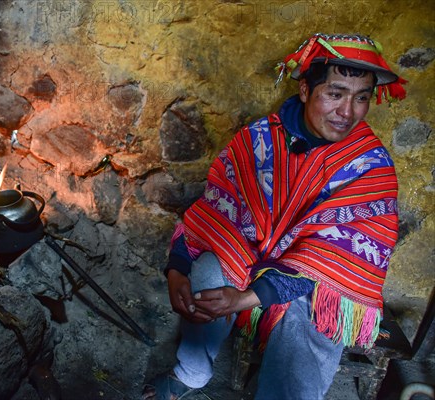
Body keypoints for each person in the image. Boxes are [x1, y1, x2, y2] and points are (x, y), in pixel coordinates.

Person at [142, 33, 407, 400]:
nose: (348, 112)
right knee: (204, 274)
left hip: (311, 283)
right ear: (304, 90)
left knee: (315, 319)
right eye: (335, 93)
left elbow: (335, 261)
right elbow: (213, 213)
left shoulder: (371, 168)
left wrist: (247, 298)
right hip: (250, 258)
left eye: (361, 98)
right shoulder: (259, 138)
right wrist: (176, 269)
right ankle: (191, 374)